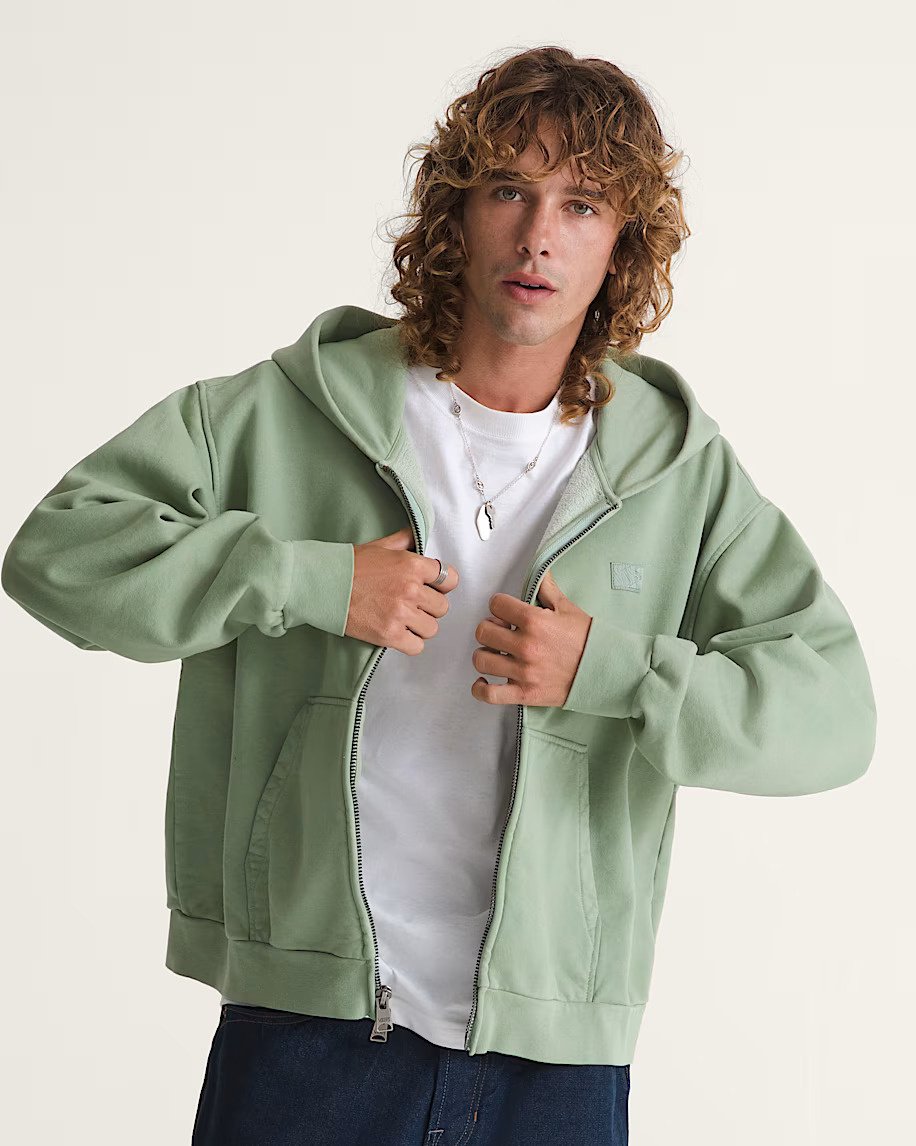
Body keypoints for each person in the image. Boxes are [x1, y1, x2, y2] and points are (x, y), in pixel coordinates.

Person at [1, 45, 877, 1146]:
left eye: (582, 204)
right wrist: (307, 580)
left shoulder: (678, 472)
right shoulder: (287, 410)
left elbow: (834, 714)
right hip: (307, 1028)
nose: (538, 235)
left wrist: (611, 670)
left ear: (623, 246)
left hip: (553, 1058)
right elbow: (57, 551)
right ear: (455, 214)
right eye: (509, 189)